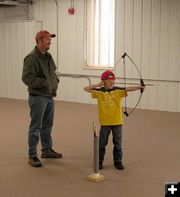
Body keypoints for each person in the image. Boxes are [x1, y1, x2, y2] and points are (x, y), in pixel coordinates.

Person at [84, 70, 145, 170]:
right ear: (104, 82)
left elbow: (128, 88)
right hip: (105, 123)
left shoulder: (117, 90)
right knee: (102, 143)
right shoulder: (99, 92)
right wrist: (99, 84)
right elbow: (86, 88)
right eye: (109, 81)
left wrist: (139, 87)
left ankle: (118, 161)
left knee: (118, 143)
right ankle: (99, 162)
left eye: (113, 81)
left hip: (117, 122)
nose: (112, 83)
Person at [22, 30, 63, 167]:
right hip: (38, 97)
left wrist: (54, 81)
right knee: (36, 127)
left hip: (49, 96)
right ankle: (32, 155)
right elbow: (27, 78)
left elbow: (52, 72)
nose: (49, 41)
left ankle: (46, 149)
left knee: (47, 125)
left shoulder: (48, 56)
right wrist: (46, 83)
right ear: (39, 41)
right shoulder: (31, 58)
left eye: (50, 39)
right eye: (47, 39)